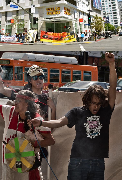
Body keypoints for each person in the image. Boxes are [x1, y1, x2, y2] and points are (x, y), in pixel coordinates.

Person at [31, 52, 116, 180]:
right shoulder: (78, 112)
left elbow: (113, 87)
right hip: (78, 162)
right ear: (87, 101)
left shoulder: (105, 111)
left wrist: (111, 64)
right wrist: (42, 123)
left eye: (98, 104)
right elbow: (59, 122)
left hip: (98, 162)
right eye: (93, 103)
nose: (96, 107)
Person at [0, 82, 55, 179]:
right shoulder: (9, 111)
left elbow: (51, 140)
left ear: (27, 104)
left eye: (19, 100)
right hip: (9, 161)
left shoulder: (37, 120)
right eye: (15, 100)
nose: (15, 102)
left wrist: (33, 144)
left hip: (28, 166)